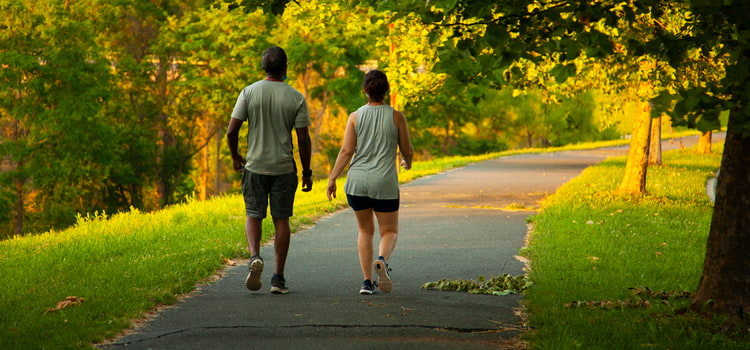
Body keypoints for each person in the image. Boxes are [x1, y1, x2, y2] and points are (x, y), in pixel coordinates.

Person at [226, 46, 313, 295]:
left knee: (253, 214)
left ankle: (255, 256)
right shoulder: (296, 97)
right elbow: (303, 139)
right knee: (281, 219)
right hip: (284, 168)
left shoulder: (249, 92)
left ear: (263, 67)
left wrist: (235, 157)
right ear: (285, 67)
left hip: (254, 166)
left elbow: (232, 131)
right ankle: (278, 278)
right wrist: (307, 171)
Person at [326, 69, 413, 295]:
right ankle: (381, 260)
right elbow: (407, 150)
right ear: (386, 90)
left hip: (357, 183)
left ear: (365, 90)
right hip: (383, 182)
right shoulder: (396, 117)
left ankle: (366, 282)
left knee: (365, 231)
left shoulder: (355, 117)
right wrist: (407, 162)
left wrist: (333, 177)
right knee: (390, 231)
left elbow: (346, 151)